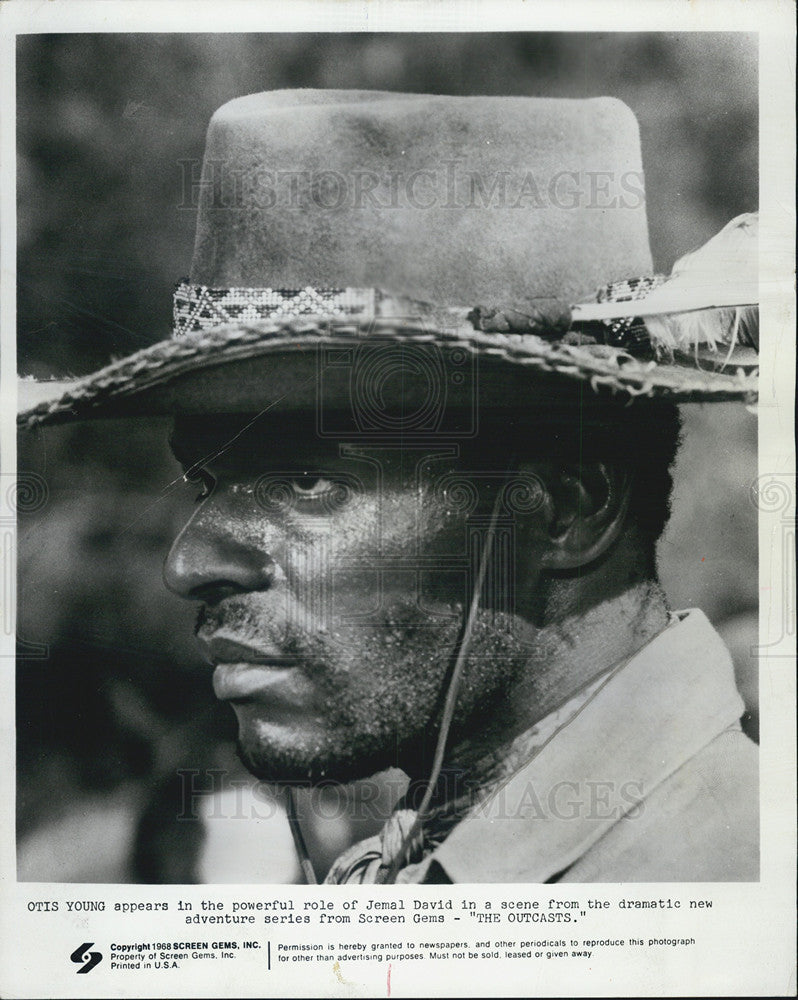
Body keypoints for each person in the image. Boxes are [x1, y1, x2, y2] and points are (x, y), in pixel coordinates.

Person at [19, 89, 759, 883]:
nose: (188, 562)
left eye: (306, 482)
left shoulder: (730, 876)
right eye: (205, 482)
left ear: (564, 511)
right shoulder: (417, 862)